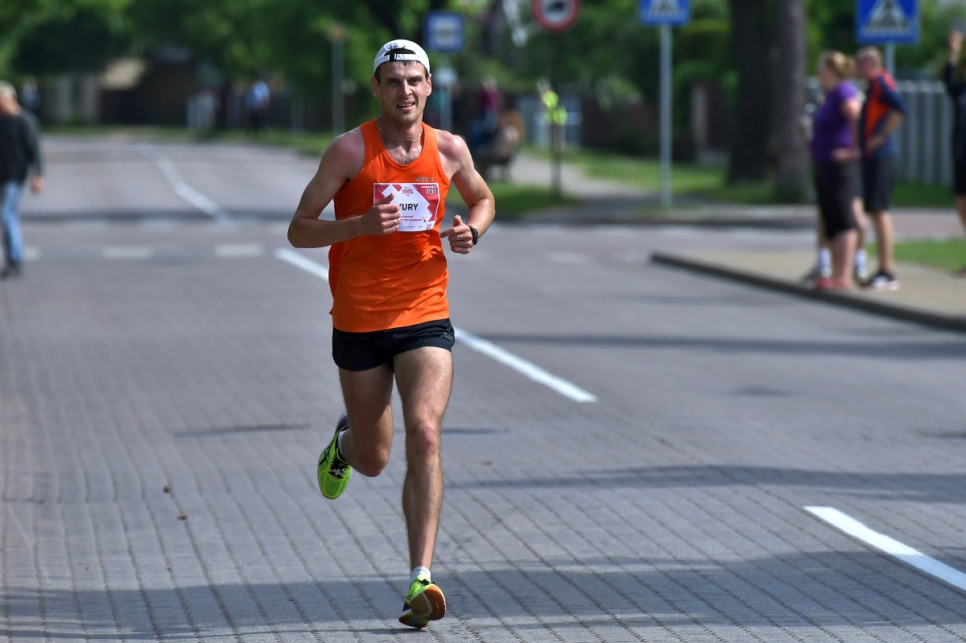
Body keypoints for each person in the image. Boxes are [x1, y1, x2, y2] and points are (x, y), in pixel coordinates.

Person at [286, 40, 495, 629]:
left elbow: (483, 198)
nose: (405, 91)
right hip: (359, 318)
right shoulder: (349, 150)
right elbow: (299, 229)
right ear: (376, 88)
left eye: (414, 80)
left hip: (424, 310)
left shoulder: (449, 149)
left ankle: (420, 578)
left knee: (424, 432)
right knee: (375, 459)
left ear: (429, 86)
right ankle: (345, 444)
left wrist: (472, 231)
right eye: (393, 81)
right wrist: (357, 225)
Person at [809, 52, 862, 290]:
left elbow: (856, 117)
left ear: (833, 70)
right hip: (824, 163)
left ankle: (844, 275)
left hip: (840, 165)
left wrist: (853, 150)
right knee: (829, 219)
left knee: (843, 218)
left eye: (821, 68)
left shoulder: (843, 92)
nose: (818, 73)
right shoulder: (828, 95)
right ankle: (834, 272)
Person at [856, 46, 906, 291]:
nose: (856, 70)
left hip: (881, 154)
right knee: (874, 210)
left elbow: (900, 108)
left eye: (859, 65)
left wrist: (882, 135)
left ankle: (887, 270)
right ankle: (881, 268)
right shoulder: (873, 85)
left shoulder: (880, 82)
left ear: (869, 64)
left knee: (879, 210)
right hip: (872, 154)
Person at [0, 80, 44, 279]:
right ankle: (12, 258)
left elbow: (35, 150)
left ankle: (15, 259)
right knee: (9, 217)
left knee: (6, 215)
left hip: (15, 175)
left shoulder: (25, 120)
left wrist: (39, 175)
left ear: (10, 99)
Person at [943, 29, 966, 275]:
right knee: (962, 204)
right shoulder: (961, 93)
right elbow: (947, 79)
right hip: (961, 157)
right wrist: (954, 52)